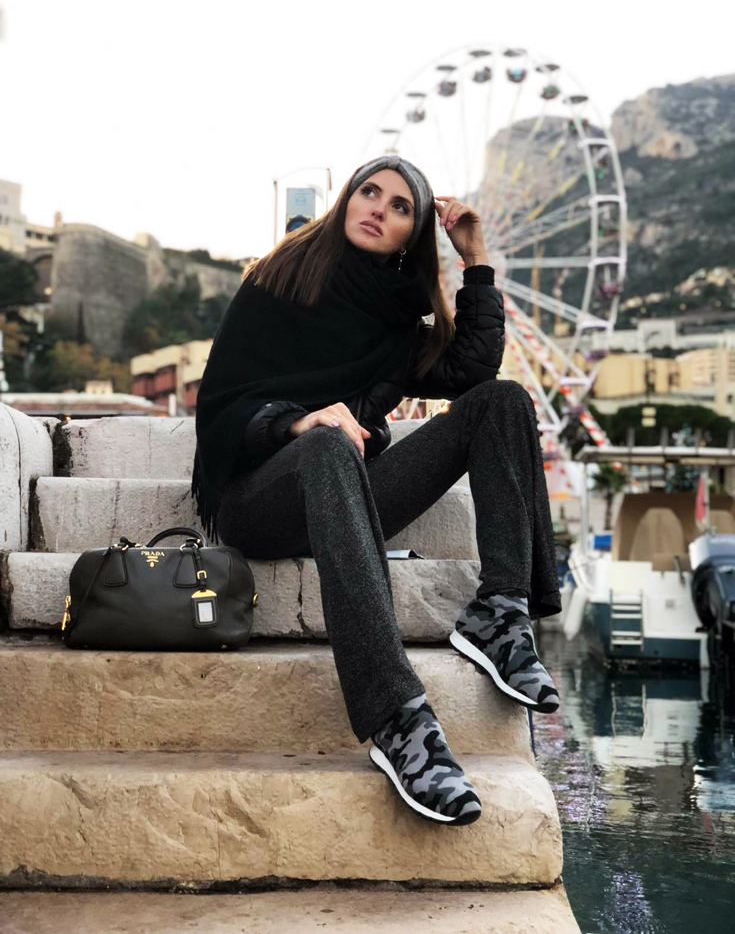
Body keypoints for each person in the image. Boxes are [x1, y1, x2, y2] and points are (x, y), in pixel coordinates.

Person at [192, 155, 562, 828]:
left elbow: (472, 370)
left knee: (503, 400)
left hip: (347, 496)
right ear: (346, 199)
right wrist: (299, 422)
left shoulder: (395, 327)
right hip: (259, 499)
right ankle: (398, 718)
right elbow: (219, 407)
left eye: (400, 208)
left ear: (409, 238)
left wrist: (475, 260)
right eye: (370, 192)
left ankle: (500, 612)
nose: (378, 210)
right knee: (330, 442)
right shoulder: (275, 282)